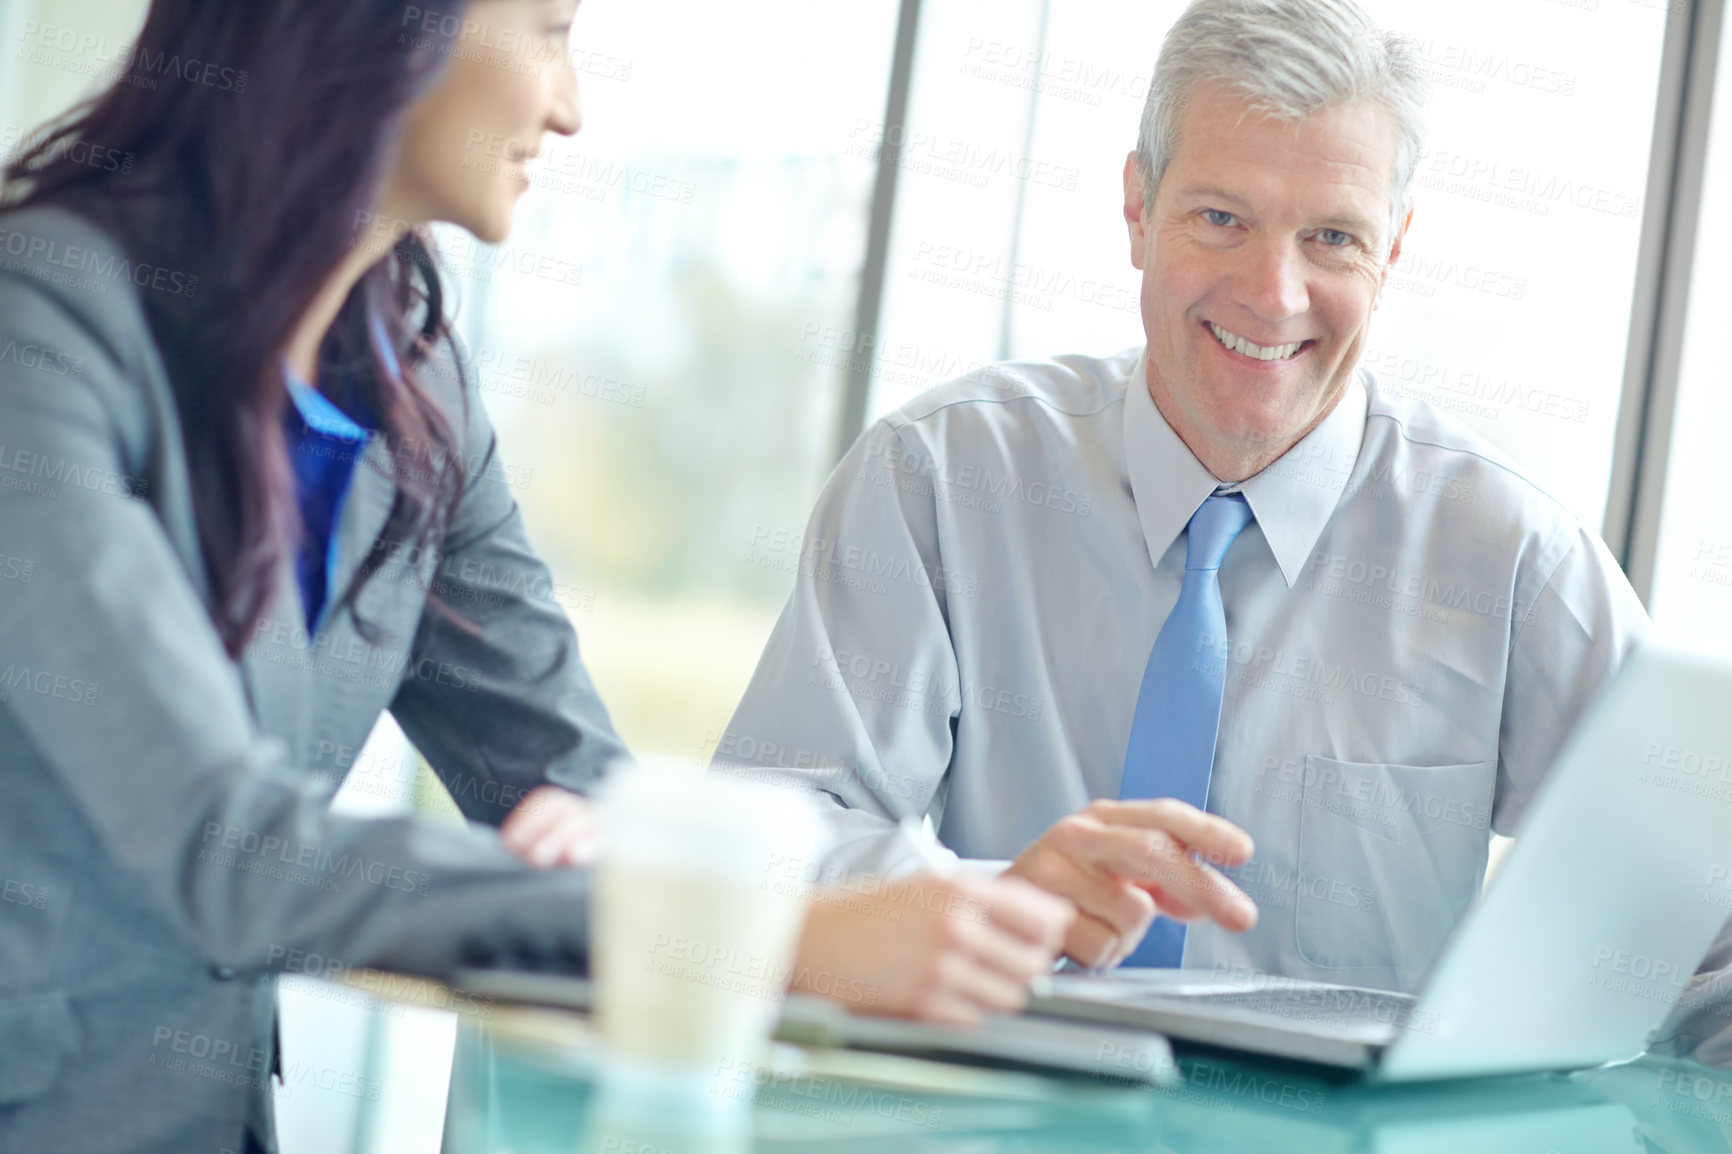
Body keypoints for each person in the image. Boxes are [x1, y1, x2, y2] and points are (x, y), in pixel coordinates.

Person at [0, 2, 1070, 1150]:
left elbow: (571, 778)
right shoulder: (40, 323)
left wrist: (978, 897)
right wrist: (756, 935)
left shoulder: (411, 372)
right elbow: (224, 843)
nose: (569, 107)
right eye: (551, 31)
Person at [716, 0, 1732, 1014]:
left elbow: (1706, 920)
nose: (1272, 292)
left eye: (1331, 237)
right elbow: (756, 840)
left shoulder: (1513, 556)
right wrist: (982, 898)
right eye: (1220, 219)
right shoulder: (939, 479)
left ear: (1393, 252)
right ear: (1135, 210)